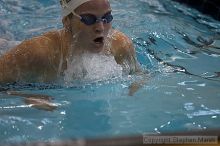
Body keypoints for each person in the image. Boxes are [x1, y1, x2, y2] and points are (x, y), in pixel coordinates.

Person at [0, 0, 143, 111]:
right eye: (89, 19)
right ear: (67, 21)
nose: (100, 27)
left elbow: (140, 75)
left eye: (107, 17)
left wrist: (130, 97)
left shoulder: (120, 45)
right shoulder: (38, 53)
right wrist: (25, 94)